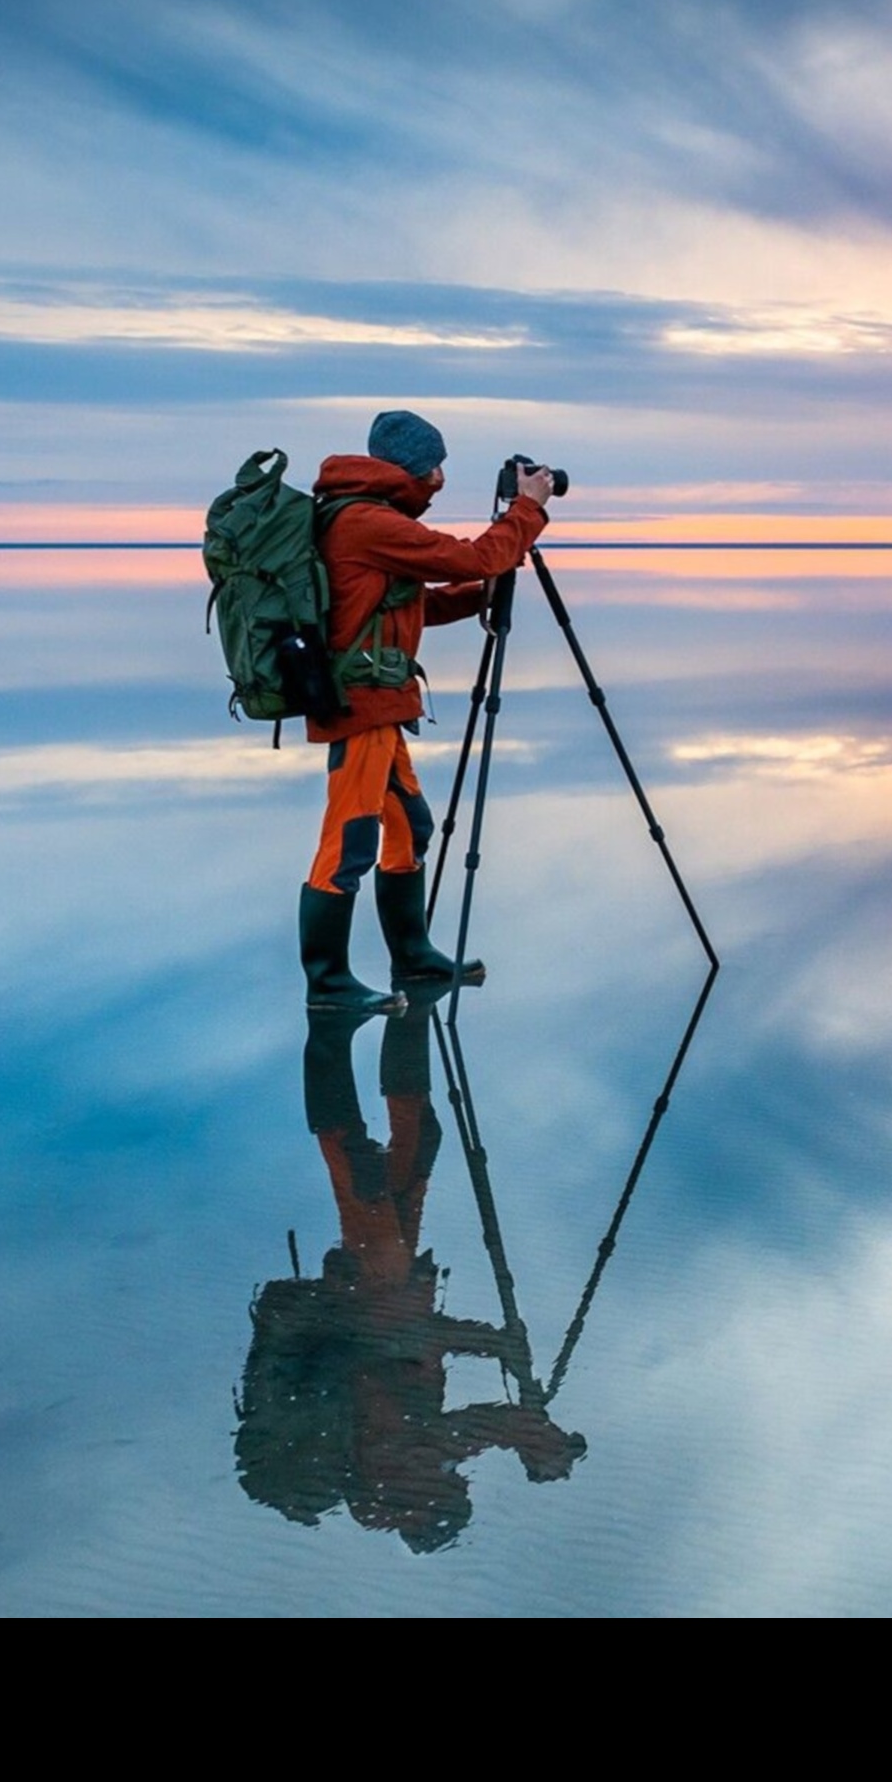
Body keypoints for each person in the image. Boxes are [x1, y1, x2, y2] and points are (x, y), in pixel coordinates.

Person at [236, 992, 587, 1553]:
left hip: (371, 1295)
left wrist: (517, 1392)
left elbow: (438, 1375)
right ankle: (412, 1002)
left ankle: (330, 1024)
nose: (453, 1476)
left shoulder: (391, 1473)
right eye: (455, 1485)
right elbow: (469, 1419)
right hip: (387, 1293)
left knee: (362, 1167)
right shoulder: (406, 1474)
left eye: (449, 1491)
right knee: (417, 1143)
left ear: (423, 1508)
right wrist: (506, 1373)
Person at [298, 409, 555, 1012]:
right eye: (433, 467)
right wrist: (529, 509)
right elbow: (470, 558)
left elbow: (410, 607)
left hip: (381, 704)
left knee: (408, 827)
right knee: (350, 838)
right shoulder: (364, 521)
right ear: (408, 468)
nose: (440, 478)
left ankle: (412, 959)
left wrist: (477, 597)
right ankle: (327, 983)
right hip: (360, 707)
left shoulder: (366, 518)